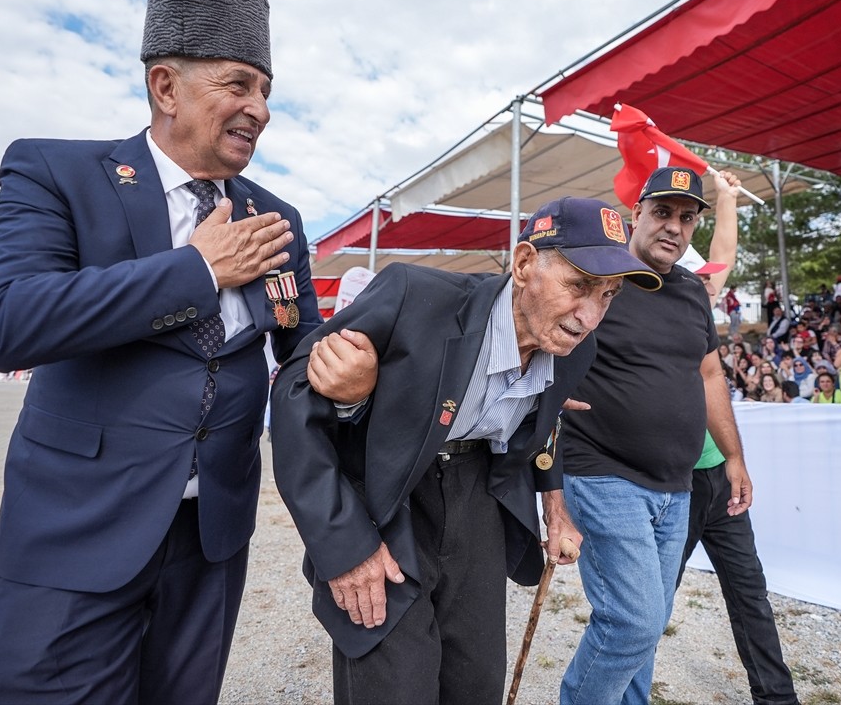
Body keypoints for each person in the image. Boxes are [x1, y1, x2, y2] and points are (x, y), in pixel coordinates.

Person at [0, 0, 344, 703]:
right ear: (166, 87)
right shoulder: (59, 173)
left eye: (266, 91)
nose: (259, 109)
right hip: (77, 533)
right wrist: (196, 271)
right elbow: (5, 321)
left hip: (209, 543)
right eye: (238, 84)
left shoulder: (278, 219)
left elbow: (298, 347)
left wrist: (347, 367)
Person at [271, 197, 661, 705]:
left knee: (474, 681)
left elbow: (544, 419)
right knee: (394, 685)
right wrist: (342, 546)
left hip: (481, 498)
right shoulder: (415, 294)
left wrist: (555, 505)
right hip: (391, 496)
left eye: (607, 295)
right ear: (523, 265)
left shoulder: (574, 345)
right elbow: (294, 393)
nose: (589, 316)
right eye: (578, 285)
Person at [558, 167, 752, 705]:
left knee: (648, 622)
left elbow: (709, 374)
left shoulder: (693, 290)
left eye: (687, 218)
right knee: (634, 623)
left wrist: (732, 456)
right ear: (636, 215)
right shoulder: (602, 276)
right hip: (603, 473)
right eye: (662, 212)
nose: (674, 227)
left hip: (678, 486)